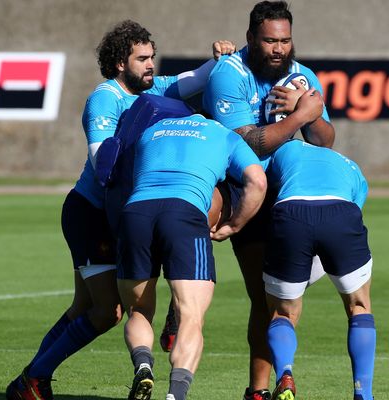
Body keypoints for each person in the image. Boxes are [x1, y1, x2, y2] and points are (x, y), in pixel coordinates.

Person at [5, 20, 236, 400]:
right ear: (119, 64)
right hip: (93, 213)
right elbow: (103, 165)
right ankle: (33, 378)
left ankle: (33, 381)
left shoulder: (153, 89)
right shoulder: (106, 98)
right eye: (142, 58)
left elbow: (194, 79)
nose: (151, 65)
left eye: (152, 57)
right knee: (106, 311)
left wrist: (224, 58)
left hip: (127, 210)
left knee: (84, 305)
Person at [200, 2, 335, 398]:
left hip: (287, 195)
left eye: (285, 40)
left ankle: (267, 386)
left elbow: (325, 142)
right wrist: (296, 118)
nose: (279, 48)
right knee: (263, 296)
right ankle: (257, 391)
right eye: (270, 40)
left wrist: (309, 113)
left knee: (282, 300)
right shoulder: (230, 74)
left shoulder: (302, 76)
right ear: (251, 39)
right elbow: (249, 143)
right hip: (241, 189)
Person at [117, 108, 267, 400]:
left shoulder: (152, 131)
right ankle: (176, 394)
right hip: (184, 213)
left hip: (136, 212)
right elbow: (257, 181)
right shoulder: (223, 134)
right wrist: (235, 224)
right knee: (191, 316)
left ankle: (143, 364)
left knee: (138, 311)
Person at [261, 139, 375, 400]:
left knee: (282, 313)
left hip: (290, 213)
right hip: (341, 212)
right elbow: (351, 215)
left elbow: (260, 185)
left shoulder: (281, 151)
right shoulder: (352, 167)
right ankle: (363, 393)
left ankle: (285, 375)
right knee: (359, 305)